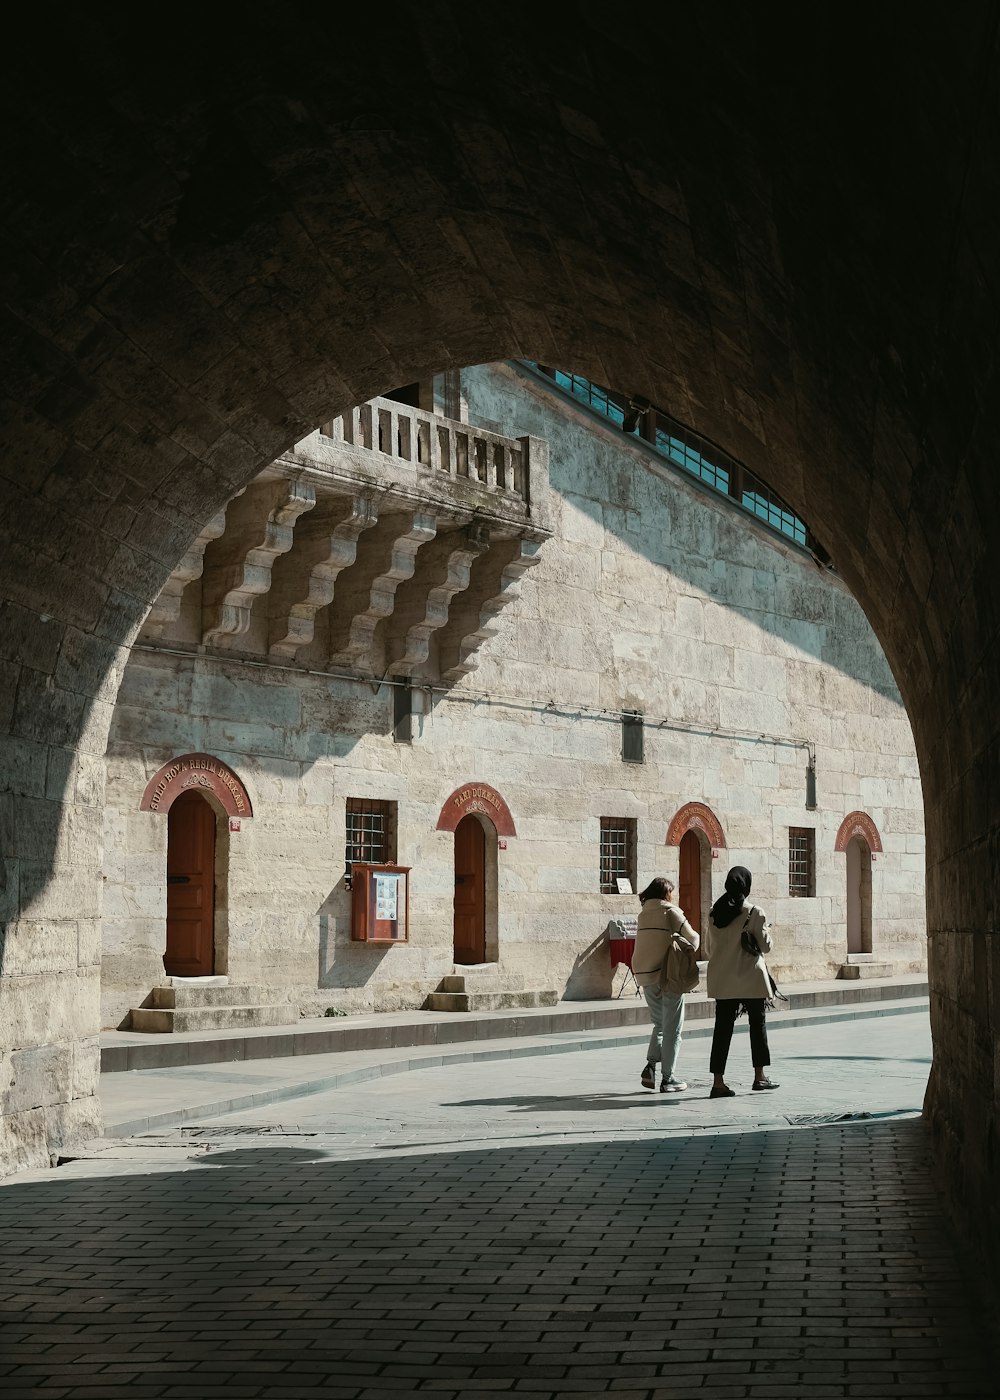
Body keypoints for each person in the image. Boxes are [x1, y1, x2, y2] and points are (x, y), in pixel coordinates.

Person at [706, 865, 779, 1098]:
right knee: (758, 1026)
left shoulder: (714, 912)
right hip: (749, 978)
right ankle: (759, 1077)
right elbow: (766, 946)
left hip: (722, 979)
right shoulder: (754, 912)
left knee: (722, 1030)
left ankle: (718, 1082)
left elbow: (708, 948)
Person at [632, 876, 700, 1092]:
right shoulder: (671, 911)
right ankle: (668, 1078)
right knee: (673, 1029)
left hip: (644, 974)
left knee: (659, 1025)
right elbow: (694, 940)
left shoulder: (643, 914)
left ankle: (651, 1066)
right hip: (668, 975)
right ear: (666, 894)